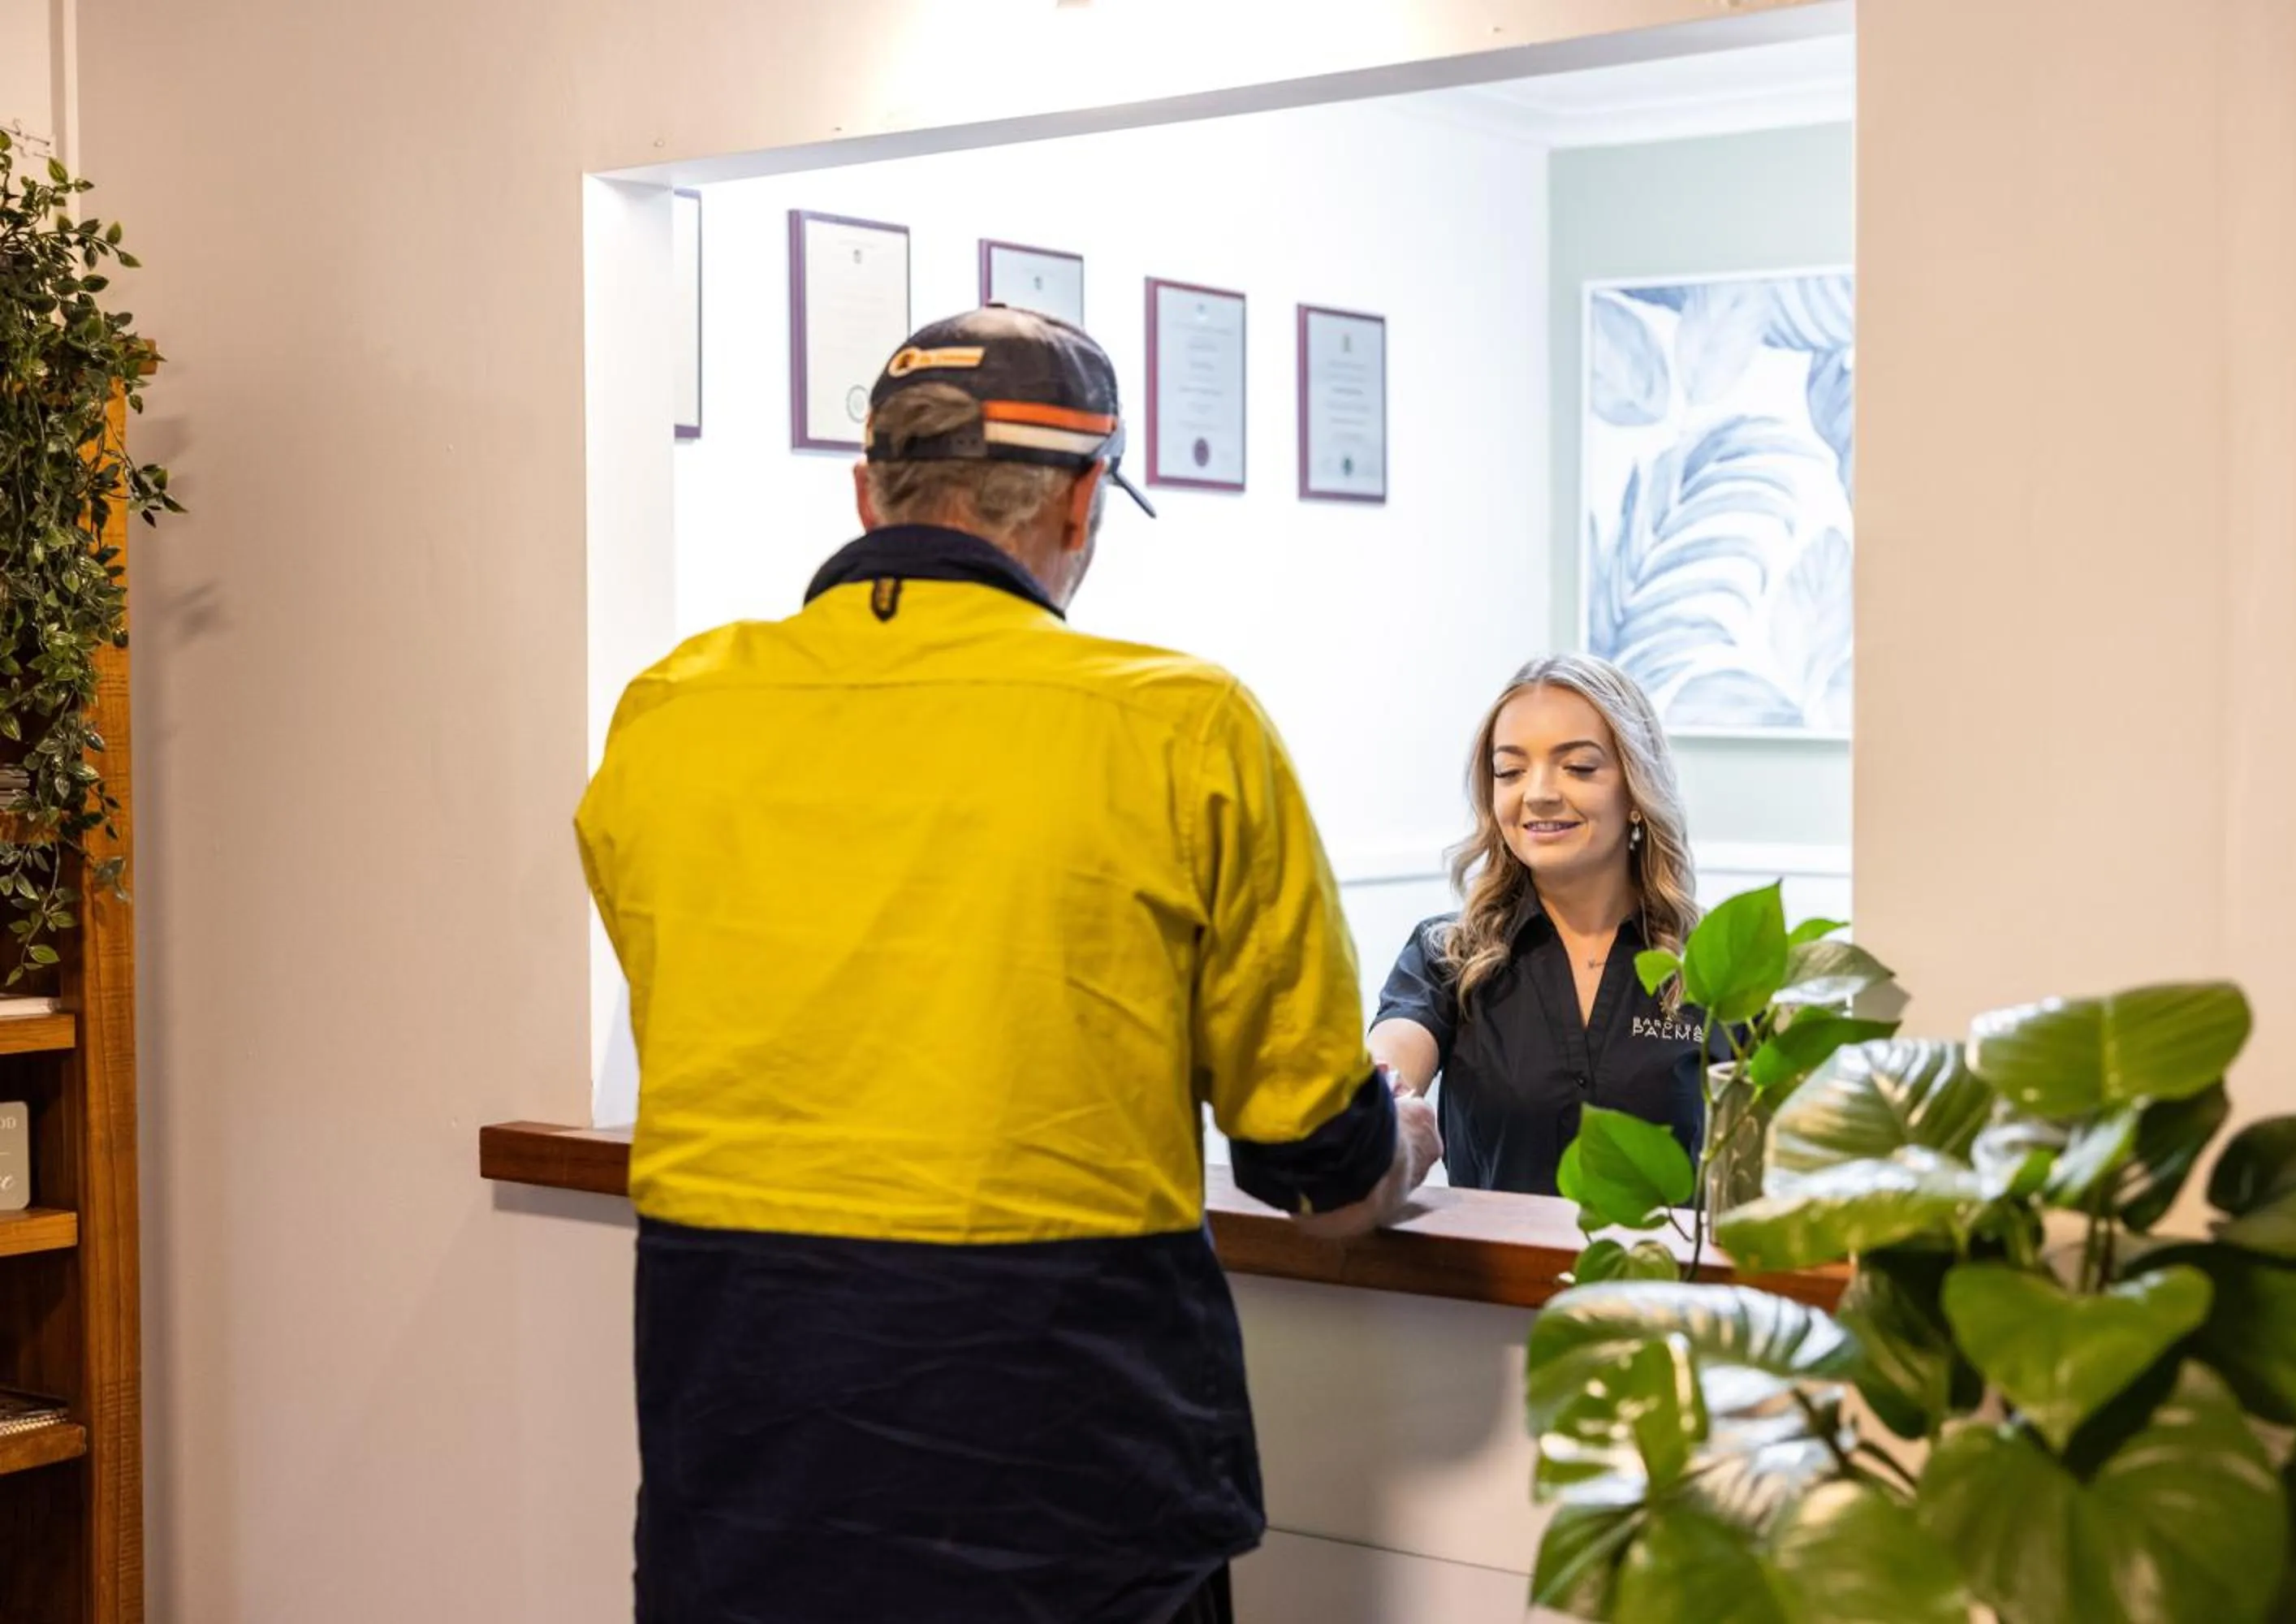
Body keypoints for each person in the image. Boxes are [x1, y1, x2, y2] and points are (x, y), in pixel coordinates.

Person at [575, 304, 1440, 1624]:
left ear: (867, 489)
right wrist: (1402, 1150)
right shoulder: (1178, 726)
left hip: (743, 1438)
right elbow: (1312, 1159)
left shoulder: (670, 714)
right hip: (1062, 1457)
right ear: (1083, 503)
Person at [1368, 654, 1707, 1194]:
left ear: (1637, 791)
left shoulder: (1715, 966)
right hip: (1489, 1278)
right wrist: (1372, 1108)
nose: (1539, 792)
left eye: (1578, 767)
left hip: (1662, 1280)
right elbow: (1391, 1060)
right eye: (1510, 771)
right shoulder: (1446, 955)